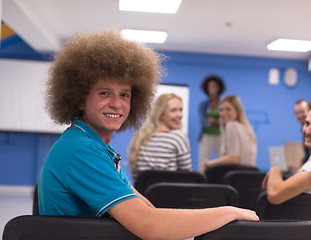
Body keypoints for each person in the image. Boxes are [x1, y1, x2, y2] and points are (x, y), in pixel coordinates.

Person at [37, 29, 258, 240]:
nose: (116, 104)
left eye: (125, 95)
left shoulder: (97, 147)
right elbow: (149, 225)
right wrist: (228, 212)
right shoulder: (80, 150)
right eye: (104, 93)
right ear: (79, 99)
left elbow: (149, 210)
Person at [128, 93, 192, 181]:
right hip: (170, 193)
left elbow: (137, 178)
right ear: (161, 114)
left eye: (181, 110)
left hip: (142, 193)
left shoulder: (140, 137)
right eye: (174, 110)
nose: (180, 115)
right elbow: (188, 177)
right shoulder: (178, 137)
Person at [203, 95, 257, 170]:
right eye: (221, 110)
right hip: (246, 178)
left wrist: (208, 163)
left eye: (228, 109)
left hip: (235, 177)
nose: (223, 113)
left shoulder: (232, 125)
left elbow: (233, 158)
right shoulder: (246, 129)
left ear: (237, 111)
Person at [198, 75, 225, 170]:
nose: (212, 88)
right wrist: (219, 121)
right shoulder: (203, 105)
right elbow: (203, 123)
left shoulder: (224, 103)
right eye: (210, 86)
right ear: (207, 88)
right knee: (203, 162)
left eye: (215, 86)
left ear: (219, 88)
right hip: (206, 136)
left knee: (223, 162)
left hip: (221, 136)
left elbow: (226, 122)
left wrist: (213, 120)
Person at [294, 99, 310, 164]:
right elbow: (308, 155)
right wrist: (300, 166)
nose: (299, 115)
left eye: (302, 112)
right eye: (296, 113)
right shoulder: (303, 129)